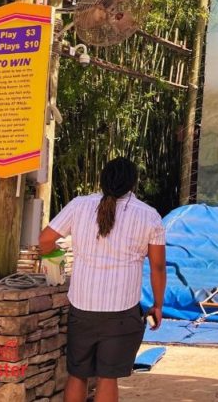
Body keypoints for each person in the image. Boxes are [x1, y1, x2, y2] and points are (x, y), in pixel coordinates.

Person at [39, 158, 166, 402]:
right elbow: (158, 267)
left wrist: (53, 259)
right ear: (133, 183)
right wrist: (158, 305)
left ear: (102, 179)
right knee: (108, 378)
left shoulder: (79, 205)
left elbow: (44, 240)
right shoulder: (149, 216)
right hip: (122, 311)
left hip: (82, 307)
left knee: (77, 375)